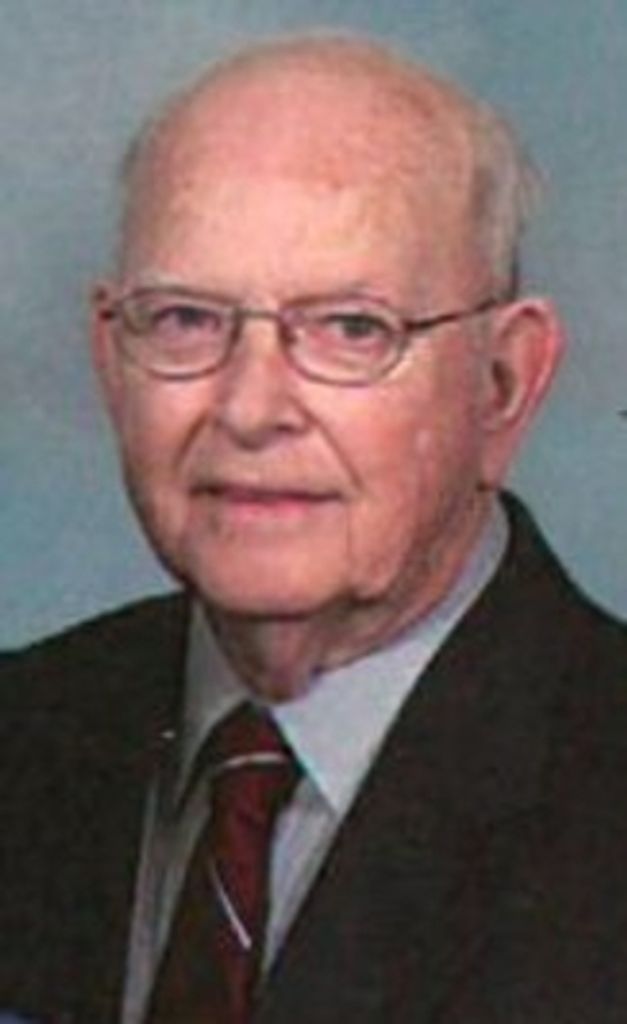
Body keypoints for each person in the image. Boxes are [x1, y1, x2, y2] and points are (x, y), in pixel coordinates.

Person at [2, 32, 627, 1024]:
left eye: (351, 328)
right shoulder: (27, 731)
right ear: (111, 361)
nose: (251, 409)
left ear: (503, 384)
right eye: (186, 320)